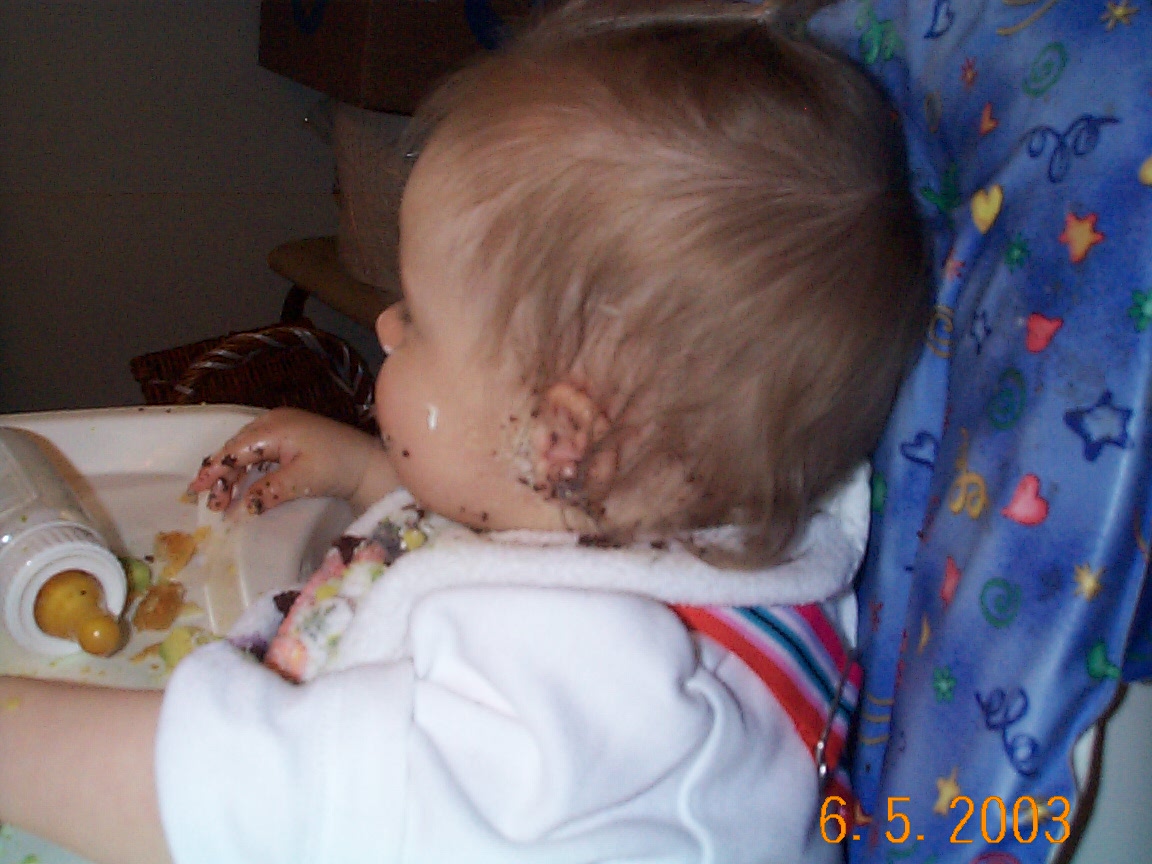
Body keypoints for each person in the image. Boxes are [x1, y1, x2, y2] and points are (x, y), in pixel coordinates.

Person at [0, 1, 929, 862]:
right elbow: (516, 514)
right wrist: (367, 475)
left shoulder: (578, 698)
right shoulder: (684, 506)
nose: (385, 327)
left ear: (560, 439)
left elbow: (253, 800)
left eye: (417, 319)